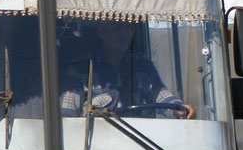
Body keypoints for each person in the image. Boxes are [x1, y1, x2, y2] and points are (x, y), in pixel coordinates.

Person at [59, 19, 195, 118]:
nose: (124, 34)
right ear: (102, 32)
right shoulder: (81, 68)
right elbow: (67, 114)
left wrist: (180, 109)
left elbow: (162, 97)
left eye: (128, 28)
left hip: (139, 145)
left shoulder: (142, 65)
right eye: (117, 28)